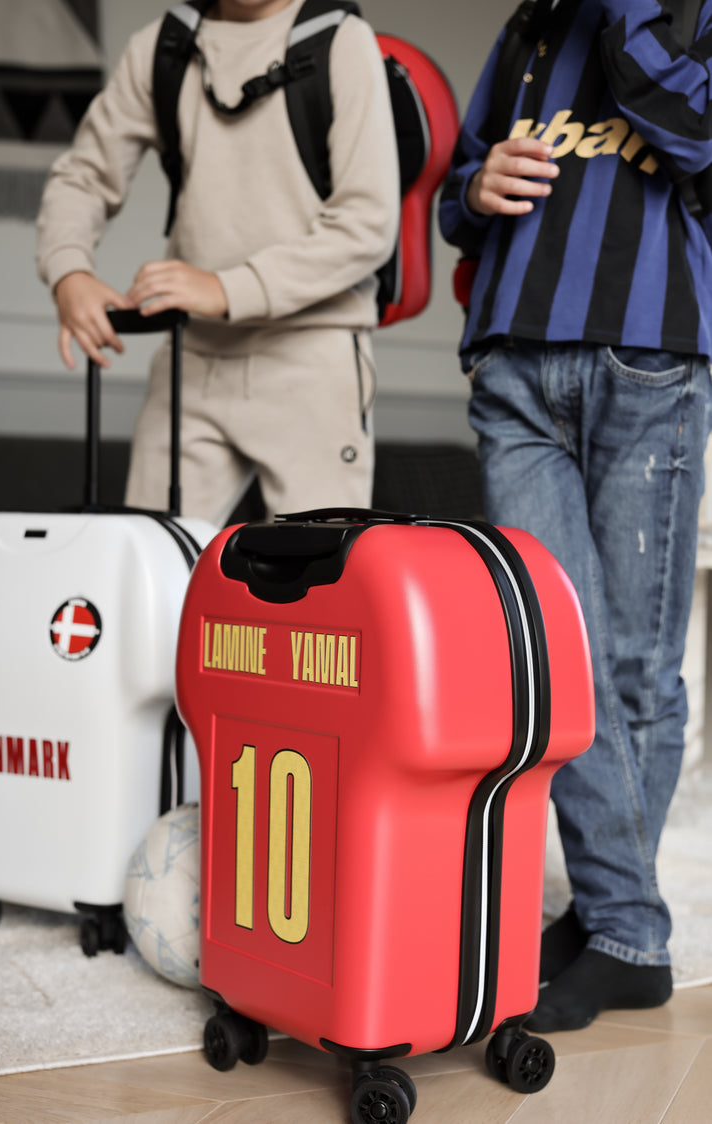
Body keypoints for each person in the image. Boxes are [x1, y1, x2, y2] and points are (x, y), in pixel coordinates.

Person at [439, 0, 712, 1032]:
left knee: (633, 662)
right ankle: (622, 920)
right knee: (552, 659)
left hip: (649, 355)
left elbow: (693, 131)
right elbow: (456, 201)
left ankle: (618, 928)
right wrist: (477, 184)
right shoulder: (529, 27)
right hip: (512, 362)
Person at [36, 0, 399, 524]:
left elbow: (367, 224)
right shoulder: (165, 46)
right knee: (150, 572)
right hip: (192, 359)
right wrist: (69, 271)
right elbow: (82, 178)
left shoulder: (341, 41)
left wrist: (228, 288)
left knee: (317, 588)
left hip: (312, 362)